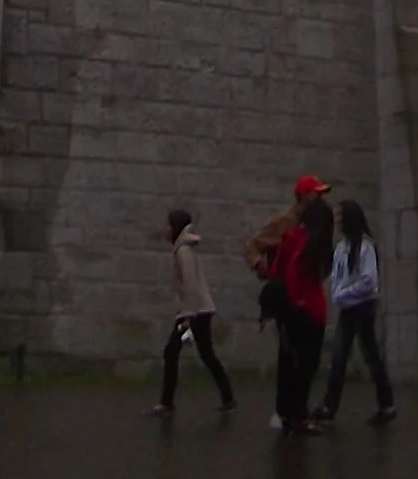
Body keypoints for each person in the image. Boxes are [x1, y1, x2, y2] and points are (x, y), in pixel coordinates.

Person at [251, 174, 333, 435]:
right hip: (292, 298)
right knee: (292, 358)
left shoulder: (309, 227)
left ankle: (289, 411)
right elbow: (255, 245)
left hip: (293, 296)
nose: (320, 197)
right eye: (316, 193)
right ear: (304, 195)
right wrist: (262, 267)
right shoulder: (286, 223)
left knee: (293, 357)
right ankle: (288, 411)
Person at [320, 197, 396, 424]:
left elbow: (369, 281)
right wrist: (337, 292)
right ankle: (329, 407)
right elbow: (338, 276)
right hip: (348, 308)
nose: (337, 221)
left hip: (362, 307)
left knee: (370, 356)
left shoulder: (364, 247)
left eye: (340, 216)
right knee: (339, 357)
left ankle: (387, 405)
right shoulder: (342, 248)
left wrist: (344, 294)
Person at [158, 206, 236, 415]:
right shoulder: (184, 248)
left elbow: (190, 284)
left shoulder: (183, 251)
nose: (165, 229)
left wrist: (188, 317)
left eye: (167, 225)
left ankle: (166, 403)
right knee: (206, 354)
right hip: (199, 311)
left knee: (171, 351)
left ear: (175, 227)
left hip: (194, 313)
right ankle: (228, 398)